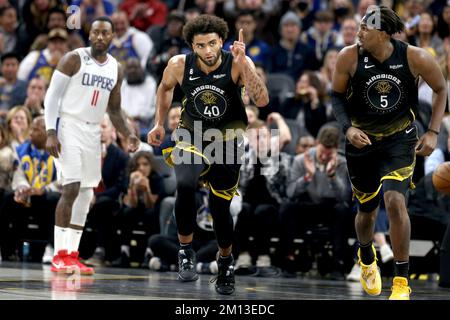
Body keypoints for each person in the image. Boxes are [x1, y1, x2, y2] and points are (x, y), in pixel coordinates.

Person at [147, 14, 269, 295]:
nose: (208, 51)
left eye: (212, 44)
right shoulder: (179, 65)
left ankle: (225, 260)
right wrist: (158, 122)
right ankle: (186, 250)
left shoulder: (238, 62)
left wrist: (244, 65)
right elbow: (165, 88)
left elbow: (262, 100)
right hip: (191, 135)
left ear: (222, 42)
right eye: (200, 46)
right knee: (185, 185)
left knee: (219, 208)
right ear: (191, 46)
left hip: (226, 141)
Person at [331, 5, 447, 300]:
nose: (358, 33)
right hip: (362, 141)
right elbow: (336, 95)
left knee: (396, 202)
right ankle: (366, 255)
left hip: (400, 140)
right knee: (367, 212)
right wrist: (347, 129)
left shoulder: (415, 56)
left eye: (364, 29)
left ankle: (400, 281)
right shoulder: (349, 56)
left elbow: (440, 88)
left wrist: (433, 131)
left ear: (382, 34)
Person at [44, 16, 140, 275]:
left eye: (105, 33)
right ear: (90, 35)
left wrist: (128, 133)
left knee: (86, 194)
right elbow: (52, 96)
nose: (99, 37)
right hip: (69, 126)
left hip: (93, 131)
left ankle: (71, 255)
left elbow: (116, 109)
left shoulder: (115, 69)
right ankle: (58, 255)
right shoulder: (73, 58)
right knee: (71, 186)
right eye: (95, 32)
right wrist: (51, 131)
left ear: (112, 37)